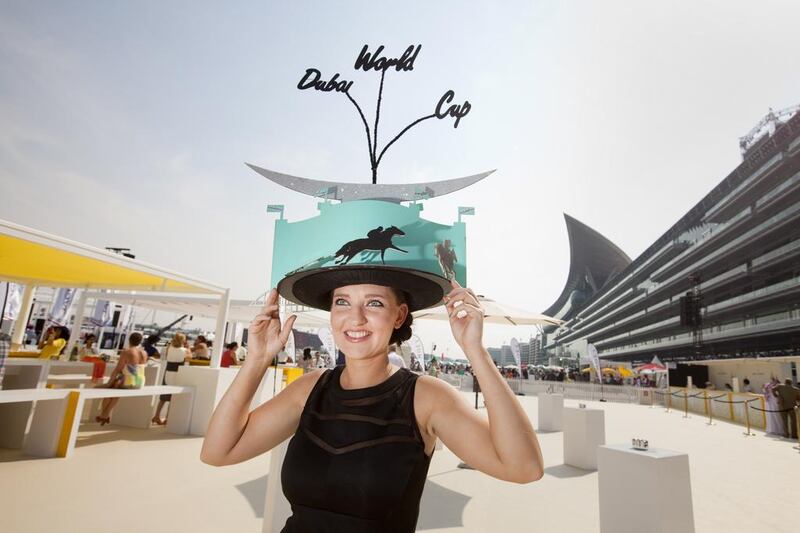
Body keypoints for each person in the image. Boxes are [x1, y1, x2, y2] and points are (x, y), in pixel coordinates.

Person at [202, 273, 544, 532]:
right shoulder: (309, 389)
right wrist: (257, 360)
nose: (356, 318)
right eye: (342, 302)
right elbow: (218, 452)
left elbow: (523, 467)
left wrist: (475, 350)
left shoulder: (425, 397)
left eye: (374, 303)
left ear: (399, 316)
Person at [94, 332, 148, 425]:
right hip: (140, 382)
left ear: (129, 340)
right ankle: (105, 415)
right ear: (140, 342)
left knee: (110, 388)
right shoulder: (144, 352)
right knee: (116, 387)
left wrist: (108, 383)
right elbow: (136, 369)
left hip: (129, 381)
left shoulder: (127, 351)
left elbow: (118, 369)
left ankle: (104, 414)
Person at [152, 333, 192, 425]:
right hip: (177, 373)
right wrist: (188, 348)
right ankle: (167, 418)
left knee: (163, 397)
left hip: (168, 371)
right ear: (183, 340)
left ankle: (156, 416)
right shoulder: (184, 350)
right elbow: (190, 357)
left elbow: (166, 356)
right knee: (173, 397)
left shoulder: (169, 348)